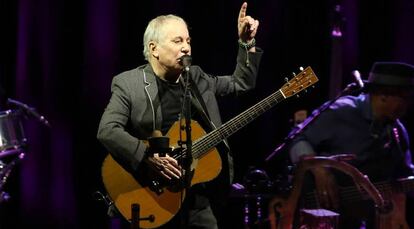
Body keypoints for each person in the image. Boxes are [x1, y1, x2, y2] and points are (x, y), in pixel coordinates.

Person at [97, 2, 262, 228]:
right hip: (150, 195)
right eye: (177, 41)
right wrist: (148, 158)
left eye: (188, 41)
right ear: (153, 48)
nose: (186, 48)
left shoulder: (196, 78)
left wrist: (246, 43)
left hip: (196, 197)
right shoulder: (129, 84)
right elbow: (107, 130)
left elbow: (241, 83)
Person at [289, 62, 414, 229]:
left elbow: (404, 180)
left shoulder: (398, 132)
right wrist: (319, 168)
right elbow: (296, 140)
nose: (409, 104)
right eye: (405, 97)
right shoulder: (342, 111)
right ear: (383, 95)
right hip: (311, 215)